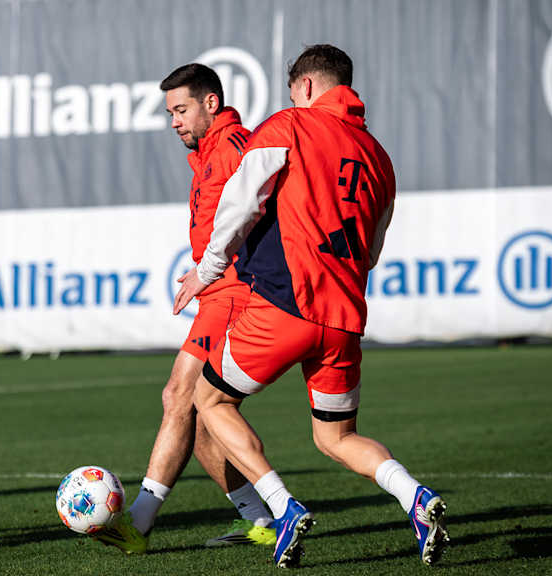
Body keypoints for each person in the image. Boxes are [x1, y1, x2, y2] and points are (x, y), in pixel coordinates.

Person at [174, 45, 449, 567]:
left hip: (286, 304)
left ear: (303, 87)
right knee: (337, 437)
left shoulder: (290, 125)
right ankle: (415, 496)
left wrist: (207, 271)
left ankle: (281, 506)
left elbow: (241, 199)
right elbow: (371, 248)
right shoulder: (379, 157)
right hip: (344, 317)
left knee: (209, 402)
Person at [95, 64, 276, 554]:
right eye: (170, 112)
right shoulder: (206, 153)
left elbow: (261, 207)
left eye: (181, 110)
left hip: (239, 292)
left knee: (179, 394)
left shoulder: (236, 146)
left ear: (210, 104)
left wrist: (215, 269)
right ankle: (263, 518)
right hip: (218, 292)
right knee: (196, 414)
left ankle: (136, 524)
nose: (173, 121)